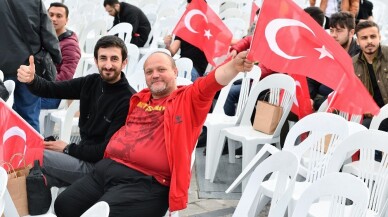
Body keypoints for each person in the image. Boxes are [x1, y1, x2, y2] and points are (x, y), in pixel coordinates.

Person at [53, 50, 254, 216]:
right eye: (149, 72)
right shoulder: (140, 99)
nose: (155, 75)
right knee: (64, 205)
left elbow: (212, 81)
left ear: (175, 72)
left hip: (146, 181)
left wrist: (234, 66)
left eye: (161, 69)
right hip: (106, 170)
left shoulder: (188, 99)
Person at [17, 36, 135, 187]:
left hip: (99, 167)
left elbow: (106, 151)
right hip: (83, 153)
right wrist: (32, 80)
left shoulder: (128, 100)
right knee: (35, 169)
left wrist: (67, 148)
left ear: (124, 62)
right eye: (103, 58)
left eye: (114, 59)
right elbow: (52, 89)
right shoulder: (91, 82)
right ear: (96, 60)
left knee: (33, 154)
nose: (108, 65)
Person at [0, 0, 62, 132]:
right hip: (29, 65)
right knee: (29, 117)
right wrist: (56, 57)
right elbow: (47, 32)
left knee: (1, 118)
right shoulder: (35, 1)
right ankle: (32, 152)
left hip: (2, 67)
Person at [308, 11, 360, 110]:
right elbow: (312, 79)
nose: (333, 35)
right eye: (331, 30)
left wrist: (317, 103)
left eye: (339, 31)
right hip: (318, 98)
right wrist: (309, 97)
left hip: (339, 105)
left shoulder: (359, 55)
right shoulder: (326, 50)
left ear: (351, 33)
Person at [41, 2, 81, 109]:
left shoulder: (70, 45)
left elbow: (66, 77)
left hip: (55, 95)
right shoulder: (45, 36)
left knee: (18, 101)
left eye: (59, 16)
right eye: (51, 15)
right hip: (41, 86)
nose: (54, 19)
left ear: (66, 20)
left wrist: (40, 85)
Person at [353, 21, 388, 129]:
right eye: (364, 38)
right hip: (371, 116)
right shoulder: (352, 64)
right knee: (365, 127)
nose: (369, 41)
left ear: (379, 37)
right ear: (358, 41)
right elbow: (352, 96)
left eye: (373, 36)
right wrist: (363, 108)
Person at [164, 0, 209, 82]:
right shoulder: (184, 28)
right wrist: (167, 45)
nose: (186, 7)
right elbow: (172, 52)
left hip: (195, 69)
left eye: (190, 4)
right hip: (180, 65)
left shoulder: (208, 29)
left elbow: (227, 41)